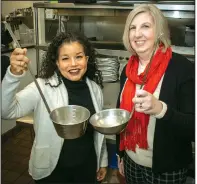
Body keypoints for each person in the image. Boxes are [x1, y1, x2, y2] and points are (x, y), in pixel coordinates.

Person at [2, 31, 108, 184]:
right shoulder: (42, 87)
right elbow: (6, 110)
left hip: (86, 166)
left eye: (78, 57)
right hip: (52, 170)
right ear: (57, 62)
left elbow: (99, 129)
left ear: (87, 59)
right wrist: (13, 75)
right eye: (65, 58)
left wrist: (102, 161)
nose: (73, 64)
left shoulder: (94, 89)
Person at [116, 4, 194, 184]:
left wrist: (161, 110)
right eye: (132, 28)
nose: (137, 34)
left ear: (159, 31)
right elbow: (121, 114)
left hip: (167, 168)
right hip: (130, 161)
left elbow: (192, 127)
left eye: (145, 26)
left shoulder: (181, 68)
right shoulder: (128, 69)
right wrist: (120, 153)